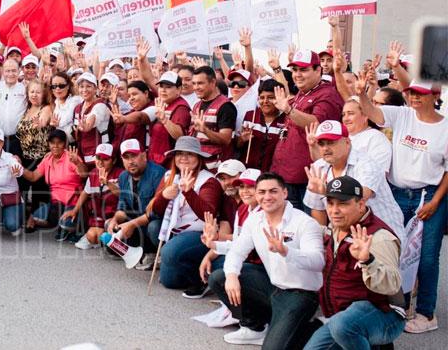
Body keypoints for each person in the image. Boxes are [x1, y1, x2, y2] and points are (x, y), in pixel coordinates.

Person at [357, 76, 447, 333]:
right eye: (411, 92)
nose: (414, 97)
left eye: (421, 93)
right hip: (397, 193)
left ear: (435, 95)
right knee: (398, 251)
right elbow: (372, 112)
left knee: (426, 257)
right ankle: (400, 305)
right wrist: (362, 94)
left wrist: (435, 201)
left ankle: (426, 314)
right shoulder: (402, 115)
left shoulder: (445, 128)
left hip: (428, 195)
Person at [209, 172, 324, 348]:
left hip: (300, 294)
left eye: (273, 191)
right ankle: (256, 327)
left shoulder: (305, 223)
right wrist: (231, 276)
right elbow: (237, 251)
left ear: (285, 193)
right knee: (220, 278)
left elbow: (318, 261)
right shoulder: (255, 219)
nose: (267, 197)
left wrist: (287, 251)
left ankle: (316, 327)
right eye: (262, 192)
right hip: (272, 286)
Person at [303, 175, 406, 349]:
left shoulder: (379, 237)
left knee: (343, 326)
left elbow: (393, 285)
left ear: (361, 204)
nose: (334, 210)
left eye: (343, 204)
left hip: (385, 316)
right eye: (330, 203)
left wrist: (367, 260)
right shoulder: (338, 225)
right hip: (342, 317)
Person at [301, 120, 404, 242]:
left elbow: (360, 199)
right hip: (346, 236)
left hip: (383, 236)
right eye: (321, 144)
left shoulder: (366, 163)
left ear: (347, 142)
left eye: (331, 142)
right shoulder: (318, 167)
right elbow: (318, 209)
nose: (325, 148)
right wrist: (324, 241)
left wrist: (326, 192)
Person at [148, 136, 223, 297]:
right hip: (175, 231)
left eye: (189, 154)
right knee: (169, 281)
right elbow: (156, 211)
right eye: (180, 154)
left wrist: (189, 192)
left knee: (169, 252)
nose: (183, 158)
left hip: (199, 234)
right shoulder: (170, 176)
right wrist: (163, 196)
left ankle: (201, 279)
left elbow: (208, 214)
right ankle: (180, 262)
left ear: (198, 158)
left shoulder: (208, 180)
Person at [270, 50, 344, 210]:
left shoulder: (327, 94)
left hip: (307, 179)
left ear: (318, 70)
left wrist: (288, 110)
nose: (297, 74)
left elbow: (316, 124)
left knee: (307, 223)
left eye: (303, 70)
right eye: (295, 70)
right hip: (287, 174)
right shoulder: (302, 93)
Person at [105, 139, 167, 270]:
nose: (130, 161)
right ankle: (135, 253)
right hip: (137, 226)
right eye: (126, 157)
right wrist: (115, 220)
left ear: (144, 155)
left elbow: (157, 212)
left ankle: (158, 254)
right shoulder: (123, 177)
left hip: (153, 225)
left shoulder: (158, 174)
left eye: (134, 156)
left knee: (154, 227)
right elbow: (122, 206)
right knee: (109, 225)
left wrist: (132, 224)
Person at [21, 130, 85, 241]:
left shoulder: (71, 157)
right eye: (52, 142)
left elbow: (84, 174)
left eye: (59, 142)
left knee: (66, 225)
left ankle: (68, 227)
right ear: (48, 144)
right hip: (55, 204)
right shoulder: (47, 159)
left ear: (65, 144)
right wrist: (20, 168)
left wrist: (77, 163)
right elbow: (33, 176)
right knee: (33, 218)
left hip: (72, 202)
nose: (55, 146)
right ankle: (57, 223)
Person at [68, 143, 124, 250]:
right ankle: (99, 239)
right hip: (99, 216)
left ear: (114, 161)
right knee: (92, 235)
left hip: (115, 217)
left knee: (103, 235)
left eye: (105, 159)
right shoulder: (93, 173)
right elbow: (85, 192)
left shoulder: (121, 174)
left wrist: (107, 183)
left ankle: (113, 243)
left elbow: (123, 195)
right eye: (98, 158)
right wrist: (74, 210)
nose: (100, 162)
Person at [16, 79, 53, 231]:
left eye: (38, 92)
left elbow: (42, 122)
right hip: (25, 155)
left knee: (39, 190)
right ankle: (22, 215)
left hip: (41, 156)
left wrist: (40, 124)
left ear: (44, 94)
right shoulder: (27, 109)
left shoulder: (46, 108)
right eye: (32, 91)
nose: (34, 95)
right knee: (22, 187)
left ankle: (35, 218)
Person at [189, 66, 237, 170]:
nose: (196, 87)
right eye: (194, 83)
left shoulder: (226, 106)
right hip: (198, 165)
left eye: (200, 83)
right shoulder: (197, 105)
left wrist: (205, 130)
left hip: (216, 167)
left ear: (213, 82)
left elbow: (226, 139)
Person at [237, 79, 286, 172]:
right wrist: (241, 140)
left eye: (270, 97)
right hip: (248, 172)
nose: (265, 101)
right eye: (262, 97)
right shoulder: (250, 116)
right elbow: (237, 145)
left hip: (273, 173)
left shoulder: (286, 120)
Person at [147, 71, 192, 167]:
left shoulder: (181, 108)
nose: (163, 90)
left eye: (168, 87)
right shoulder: (164, 104)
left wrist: (164, 120)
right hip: (156, 161)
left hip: (168, 164)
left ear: (179, 89)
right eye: (161, 86)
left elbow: (180, 136)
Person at [72, 73, 113, 164]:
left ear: (96, 88)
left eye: (88, 86)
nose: (84, 90)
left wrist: (87, 126)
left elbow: (94, 116)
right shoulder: (78, 108)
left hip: (100, 155)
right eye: (81, 86)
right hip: (82, 154)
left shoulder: (101, 105)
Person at [0, 59, 27, 157]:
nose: (10, 74)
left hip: (17, 139)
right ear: (3, 71)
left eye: (14, 70)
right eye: (7, 71)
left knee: (15, 165)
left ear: (19, 71)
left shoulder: (24, 88)